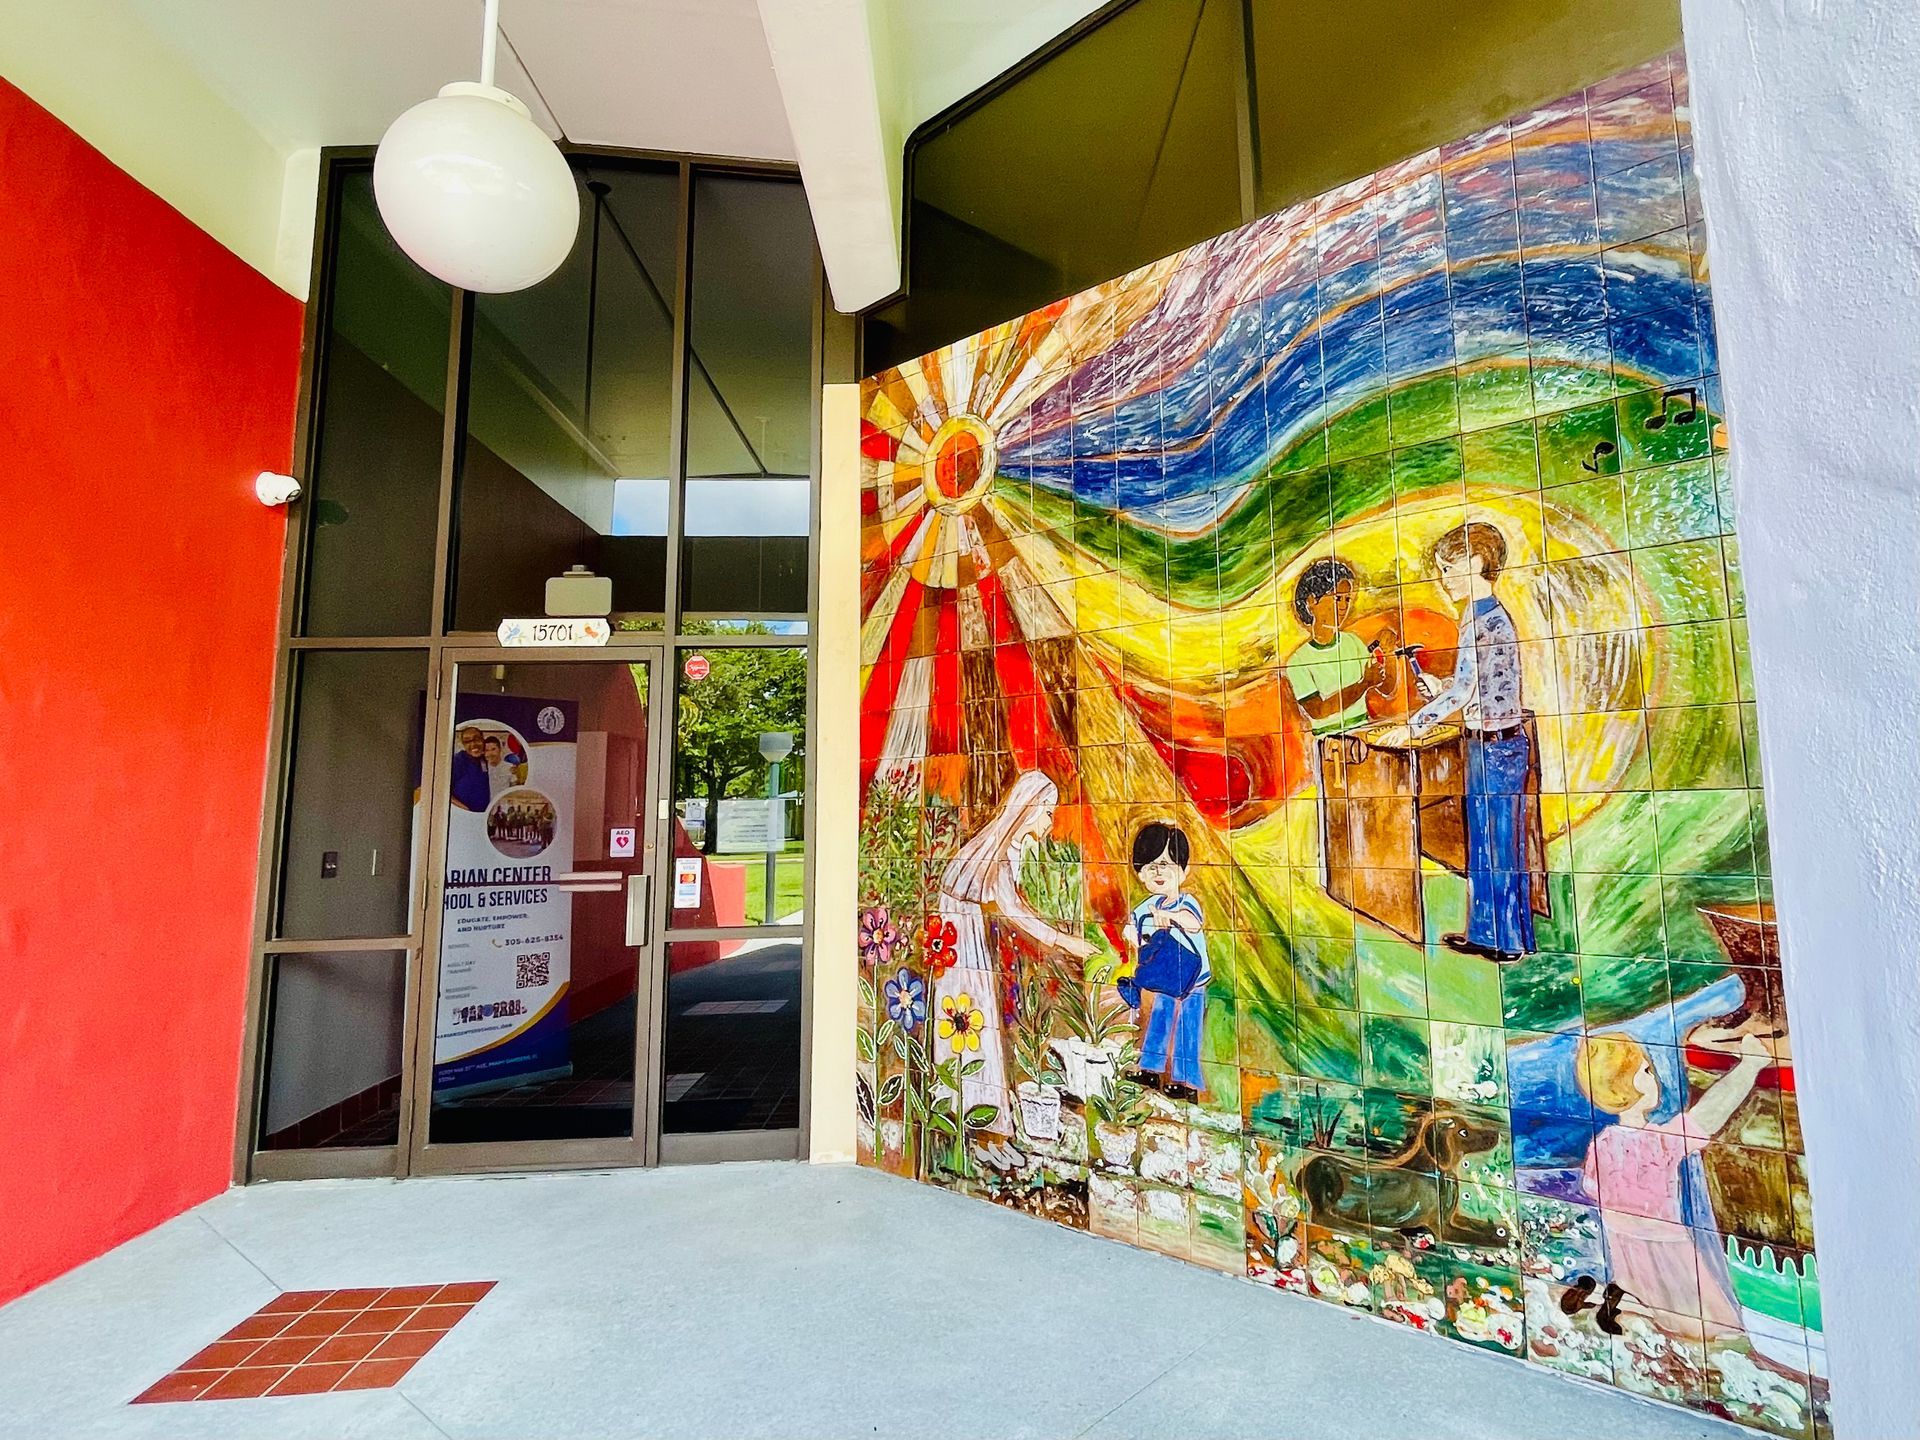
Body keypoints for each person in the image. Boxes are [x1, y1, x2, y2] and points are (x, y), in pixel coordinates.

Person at [1575, 1030, 1775, 1330]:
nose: (1653, 1075)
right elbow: (1708, 1116)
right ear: (1624, 1084)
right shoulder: (1656, 1145)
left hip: (1629, 1261)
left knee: (1657, 1322)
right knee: (1706, 1327)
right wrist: (1749, 1066)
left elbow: (1593, 1191)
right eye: (1645, 1069)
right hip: (1672, 1258)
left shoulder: (1601, 1146)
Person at [935, 771, 1097, 1136]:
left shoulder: (1005, 850)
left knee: (969, 1020)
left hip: (962, 931)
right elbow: (1014, 911)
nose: (1050, 821)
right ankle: (980, 1115)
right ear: (1029, 809)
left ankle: (975, 1114)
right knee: (972, 1019)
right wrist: (1064, 941)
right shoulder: (1000, 854)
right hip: (961, 938)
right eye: (1047, 811)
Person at [1407, 522, 1536, 961]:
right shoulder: (1477, 616)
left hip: (1499, 746)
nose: (1444, 577)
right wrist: (1439, 684)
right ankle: (1485, 933)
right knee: (1483, 842)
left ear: (1477, 563)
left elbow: (1464, 692)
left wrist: (1419, 721)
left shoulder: (1487, 621)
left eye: (1450, 567)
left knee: (1500, 842)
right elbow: (1472, 683)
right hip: (1486, 743)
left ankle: (1510, 940)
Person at [1120, 821, 1210, 1103]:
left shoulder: (1186, 902)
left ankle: (1186, 1082)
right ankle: (1150, 1067)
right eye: (1150, 866)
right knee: (1159, 1018)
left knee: (1188, 1026)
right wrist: (1132, 933)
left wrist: (1170, 918)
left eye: (1167, 864)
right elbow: (1131, 929)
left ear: (1183, 871)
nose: (1159, 873)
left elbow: (1193, 924)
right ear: (1141, 873)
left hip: (1193, 980)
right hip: (1166, 981)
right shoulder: (1146, 907)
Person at [1284, 557, 1391, 737]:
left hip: (1366, 734)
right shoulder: (1298, 661)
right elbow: (1319, 710)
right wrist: (1364, 684)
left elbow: (1386, 688)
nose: (1343, 607)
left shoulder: (1353, 642)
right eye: (1337, 599)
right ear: (1311, 602)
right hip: (1330, 744)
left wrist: (1388, 652)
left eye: (1347, 600)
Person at [450, 726, 491, 812]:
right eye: (467, 741)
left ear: (483, 740)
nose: (473, 744)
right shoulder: (457, 761)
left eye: (477, 739)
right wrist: (465, 810)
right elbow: (443, 791)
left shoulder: (487, 759)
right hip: (464, 816)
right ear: (463, 744)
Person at [483, 735, 518, 799]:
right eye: (486, 750)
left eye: (493, 749)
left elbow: (513, 788)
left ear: (500, 749)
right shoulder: (482, 768)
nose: (490, 753)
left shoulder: (510, 767)